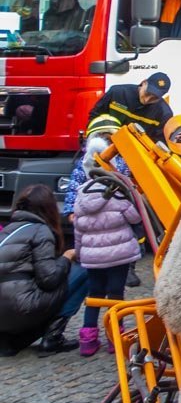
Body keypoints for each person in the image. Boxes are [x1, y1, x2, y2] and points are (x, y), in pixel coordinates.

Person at [0, 185, 88, 356]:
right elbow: (49, 280)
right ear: (49, 208)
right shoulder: (41, 231)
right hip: (20, 309)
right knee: (84, 270)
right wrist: (67, 257)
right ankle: (53, 337)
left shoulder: (8, 231)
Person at [64, 114, 142, 288]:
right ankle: (96, 271)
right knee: (95, 242)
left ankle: (128, 267)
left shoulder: (122, 163)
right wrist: (70, 211)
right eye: (101, 138)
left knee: (125, 239)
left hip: (116, 212)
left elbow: (130, 185)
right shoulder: (82, 166)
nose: (106, 143)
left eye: (109, 139)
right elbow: (73, 187)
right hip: (92, 211)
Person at [73, 176, 142, 356]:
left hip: (93, 256)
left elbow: (78, 232)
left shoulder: (81, 199)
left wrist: (80, 253)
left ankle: (88, 339)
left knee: (94, 294)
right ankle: (115, 337)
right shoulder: (117, 194)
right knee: (115, 293)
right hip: (119, 254)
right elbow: (135, 218)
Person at [87, 74, 173, 143]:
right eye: (148, 93)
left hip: (136, 152)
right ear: (143, 83)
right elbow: (95, 115)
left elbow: (159, 142)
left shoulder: (164, 114)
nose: (147, 99)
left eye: (154, 97)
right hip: (105, 141)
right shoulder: (116, 93)